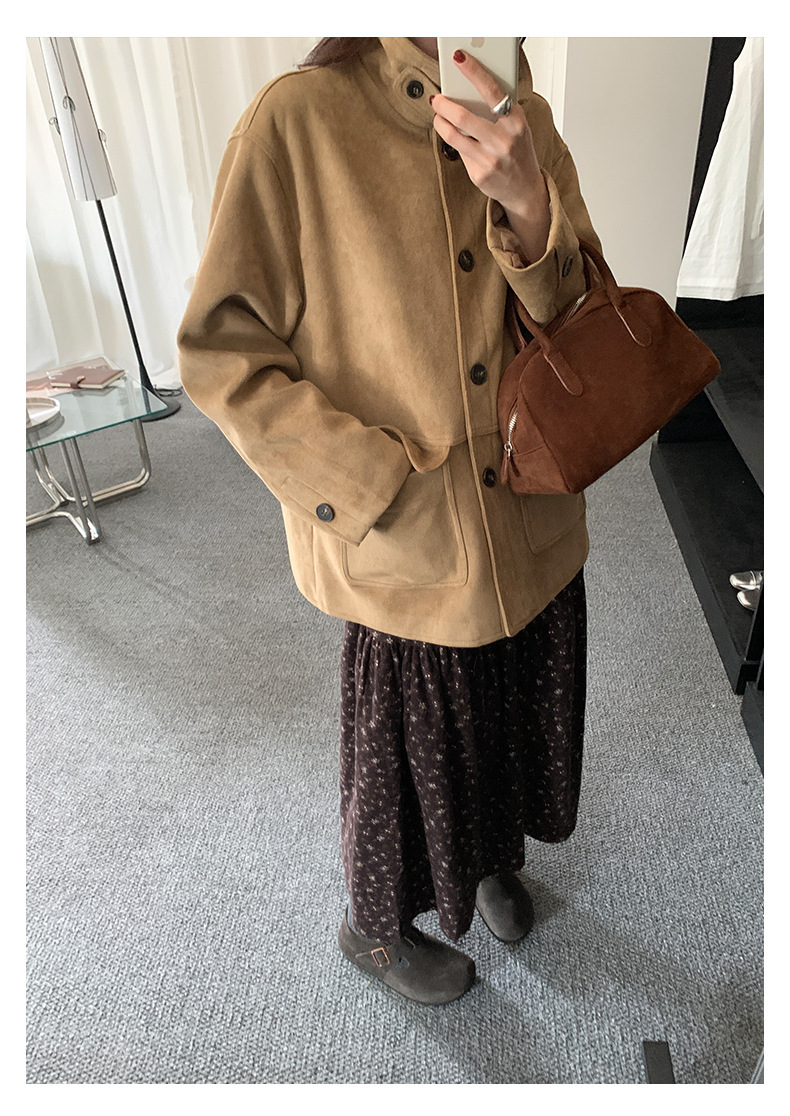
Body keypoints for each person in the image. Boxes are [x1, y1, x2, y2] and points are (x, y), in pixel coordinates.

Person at [176, 37, 601, 1005]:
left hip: (530, 514)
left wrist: (530, 206)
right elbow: (220, 352)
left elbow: (577, 315)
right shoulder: (298, 119)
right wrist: (368, 488)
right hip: (408, 534)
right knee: (405, 754)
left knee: (506, 710)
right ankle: (372, 928)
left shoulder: (525, 119)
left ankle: (484, 860)